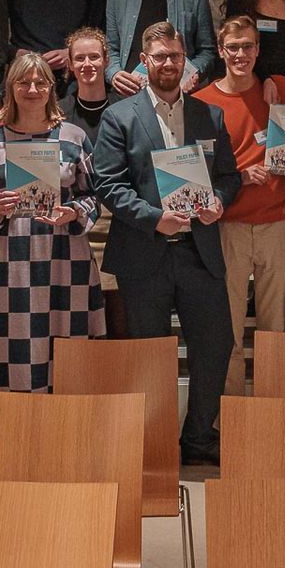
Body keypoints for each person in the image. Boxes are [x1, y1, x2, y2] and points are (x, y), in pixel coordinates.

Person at [92, 23, 240, 466]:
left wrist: (218, 200)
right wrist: (154, 218)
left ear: (185, 59)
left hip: (200, 251)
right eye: (159, 56)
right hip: (145, 254)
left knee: (215, 345)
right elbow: (108, 183)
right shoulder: (119, 116)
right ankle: (153, 443)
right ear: (144, 60)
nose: (168, 64)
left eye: (175, 55)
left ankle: (197, 437)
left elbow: (229, 177)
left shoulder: (209, 115)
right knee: (149, 355)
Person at [0, 52, 104, 467]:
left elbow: (95, 194)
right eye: (23, 83)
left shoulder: (73, 137)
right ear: (10, 88)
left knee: (65, 347)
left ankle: (67, 440)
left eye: (40, 83)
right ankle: (11, 438)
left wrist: (74, 212)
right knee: (12, 348)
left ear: (51, 88)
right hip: (9, 261)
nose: (32, 90)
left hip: (64, 258)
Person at [192, 17, 285, 394]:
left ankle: (272, 416)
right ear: (220, 51)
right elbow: (195, 172)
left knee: (276, 332)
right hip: (228, 227)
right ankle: (231, 422)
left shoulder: (281, 89)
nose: (241, 54)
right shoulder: (201, 103)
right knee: (229, 332)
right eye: (233, 47)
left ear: (258, 50)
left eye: (248, 46)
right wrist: (239, 174)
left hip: (278, 225)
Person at [58, 26, 119, 136]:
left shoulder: (124, 108)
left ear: (106, 61)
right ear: (70, 64)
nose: (87, 64)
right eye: (80, 58)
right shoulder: (59, 112)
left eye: (94, 57)